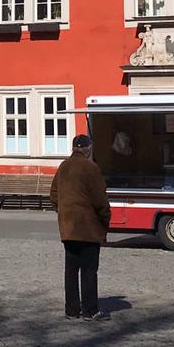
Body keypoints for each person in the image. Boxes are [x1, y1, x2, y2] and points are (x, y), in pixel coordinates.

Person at [49, 133, 111, 322]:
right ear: (88, 148)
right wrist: (104, 221)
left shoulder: (63, 166)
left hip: (68, 228)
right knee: (89, 270)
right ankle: (90, 310)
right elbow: (100, 200)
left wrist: (63, 212)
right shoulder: (90, 168)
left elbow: (53, 194)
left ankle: (71, 309)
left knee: (71, 270)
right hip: (88, 228)